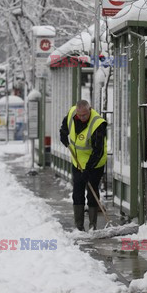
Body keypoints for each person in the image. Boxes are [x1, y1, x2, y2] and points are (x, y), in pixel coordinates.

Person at [60, 99, 107, 231]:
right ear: (76, 111)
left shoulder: (98, 124)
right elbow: (64, 127)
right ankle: (79, 226)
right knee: (77, 192)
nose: (82, 118)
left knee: (92, 192)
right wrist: (63, 134)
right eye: (79, 115)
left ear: (90, 110)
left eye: (84, 115)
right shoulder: (71, 114)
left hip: (95, 163)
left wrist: (88, 169)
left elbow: (98, 150)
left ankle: (93, 226)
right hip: (78, 161)